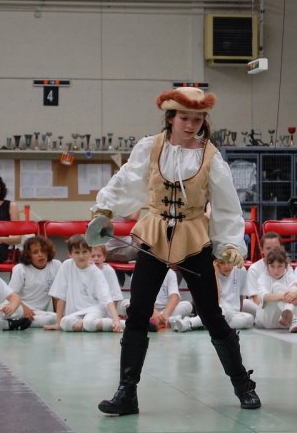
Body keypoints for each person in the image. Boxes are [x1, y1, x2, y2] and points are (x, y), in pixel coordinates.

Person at [93, 86, 261, 415]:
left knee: (211, 315)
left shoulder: (210, 157)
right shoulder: (150, 147)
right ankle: (126, 393)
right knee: (138, 312)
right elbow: (128, 179)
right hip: (155, 234)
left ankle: (243, 385)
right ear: (171, 117)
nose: (191, 124)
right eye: (184, 117)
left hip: (194, 238)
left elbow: (227, 205)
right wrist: (105, 207)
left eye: (197, 119)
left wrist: (229, 244)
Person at [44, 235, 123, 333]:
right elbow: (61, 295)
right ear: (70, 254)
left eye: (84, 252)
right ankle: (88, 325)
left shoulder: (95, 272)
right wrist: (58, 323)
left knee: (89, 323)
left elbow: (106, 298)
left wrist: (115, 319)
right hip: (76, 312)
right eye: (77, 252)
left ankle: (121, 324)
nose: (81, 256)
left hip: (95, 309)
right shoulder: (66, 266)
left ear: (90, 252)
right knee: (64, 323)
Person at [170, 256, 254, 332]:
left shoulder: (241, 269)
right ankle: (189, 323)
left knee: (249, 319)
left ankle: (202, 323)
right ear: (215, 262)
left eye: (229, 262)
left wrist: (238, 313)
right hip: (215, 310)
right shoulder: (208, 272)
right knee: (223, 313)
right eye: (222, 263)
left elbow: (241, 296)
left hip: (232, 315)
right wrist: (215, 275)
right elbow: (215, 301)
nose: (226, 266)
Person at [8, 236, 61, 328]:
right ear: (29, 255)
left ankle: (14, 323)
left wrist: (59, 315)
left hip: (39, 313)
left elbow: (57, 295)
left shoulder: (56, 265)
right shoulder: (20, 269)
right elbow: (10, 295)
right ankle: (13, 321)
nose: (40, 254)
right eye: (35, 252)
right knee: (52, 319)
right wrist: (24, 309)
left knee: (55, 318)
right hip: (19, 307)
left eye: (43, 251)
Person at [254, 248, 297, 333]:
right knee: (277, 286)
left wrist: (295, 294)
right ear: (267, 266)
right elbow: (265, 296)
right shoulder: (263, 278)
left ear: (286, 265)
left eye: (280, 266)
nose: (276, 271)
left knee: (295, 290)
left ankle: (289, 317)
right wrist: (284, 297)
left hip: (285, 323)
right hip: (268, 321)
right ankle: (293, 319)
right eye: (272, 266)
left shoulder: (290, 275)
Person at [244, 231, 285, 315]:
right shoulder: (254, 269)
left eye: (276, 248)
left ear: (281, 248)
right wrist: (271, 309)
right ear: (262, 250)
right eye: (268, 248)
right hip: (262, 307)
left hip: (283, 304)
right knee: (245, 304)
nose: (272, 251)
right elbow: (255, 298)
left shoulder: (287, 267)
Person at [91, 245, 124, 310]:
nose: (96, 259)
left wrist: (113, 314)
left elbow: (115, 294)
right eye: (93, 256)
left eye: (99, 256)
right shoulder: (85, 271)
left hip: (106, 307)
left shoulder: (109, 271)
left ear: (104, 257)